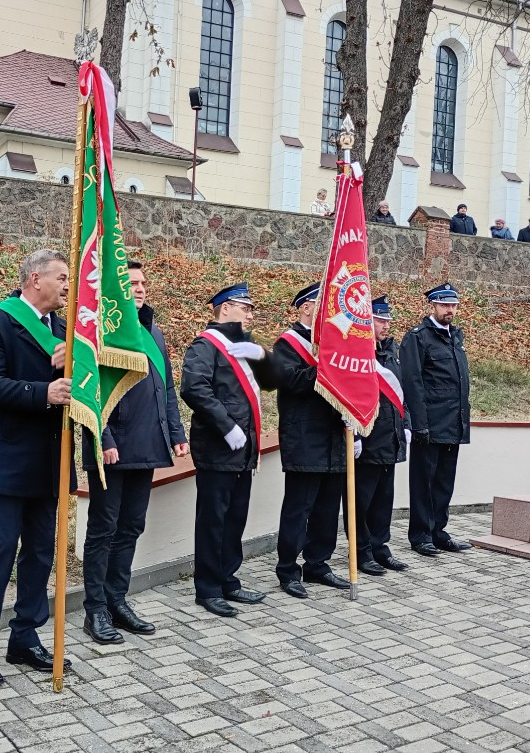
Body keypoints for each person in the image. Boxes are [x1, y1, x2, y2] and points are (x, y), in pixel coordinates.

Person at [0, 249, 74, 687]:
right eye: (61, 277)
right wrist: (44, 391)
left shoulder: (65, 331)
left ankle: (24, 637)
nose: (68, 285)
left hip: (51, 460)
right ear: (33, 278)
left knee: (41, 554)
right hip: (9, 460)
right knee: (1, 552)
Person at [81, 261, 189, 644]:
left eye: (143, 282)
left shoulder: (153, 331)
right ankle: (94, 609)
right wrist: (103, 437)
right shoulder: (102, 332)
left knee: (130, 527)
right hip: (113, 447)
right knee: (103, 529)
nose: (140, 288)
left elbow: (167, 390)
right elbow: (89, 388)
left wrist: (175, 432)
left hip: (148, 444)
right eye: (131, 282)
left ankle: (116, 600)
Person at [180, 283, 275, 618]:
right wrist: (227, 426)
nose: (250, 313)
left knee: (235, 517)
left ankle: (228, 580)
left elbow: (271, 380)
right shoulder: (205, 345)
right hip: (218, 447)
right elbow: (194, 387)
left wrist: (263, 356)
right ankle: (207, 588)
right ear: (224, 309)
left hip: (242, 450)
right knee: (213, 520)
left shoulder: (243, 346)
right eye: (244, 307)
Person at [273, 283, 351, 598]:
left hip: (333, 437)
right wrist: (326, 364)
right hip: (304, 437)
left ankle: (317, 563)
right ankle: (288, 570)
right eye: (322, 304)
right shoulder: (286, 344)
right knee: (298, 509)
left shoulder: (335, 343)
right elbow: (290, 381)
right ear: (306, 307)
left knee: (327, 509)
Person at [400, 283, 472, 557]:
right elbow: (412, 383)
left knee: (444, 481)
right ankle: (420, 534)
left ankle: (438, 531)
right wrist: (418, 424)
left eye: (453, 305)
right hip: (429, 424)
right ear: (432, 305)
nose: (450, 310)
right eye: (444, 305)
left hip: (453, 423)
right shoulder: (418, 338)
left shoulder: (455, 337)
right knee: (424, 482)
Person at [352, 296, 410, 575]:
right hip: (369, 439)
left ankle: (380, 547)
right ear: (366, 321)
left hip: (391, 437)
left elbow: (402, 392)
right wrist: (354, 436)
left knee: (383, 501)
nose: (386, 325)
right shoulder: (356, 353)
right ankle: (362, 552)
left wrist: (406, 425)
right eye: (380, 320)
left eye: (388, 320)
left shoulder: (389, 350)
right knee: (362, 502)